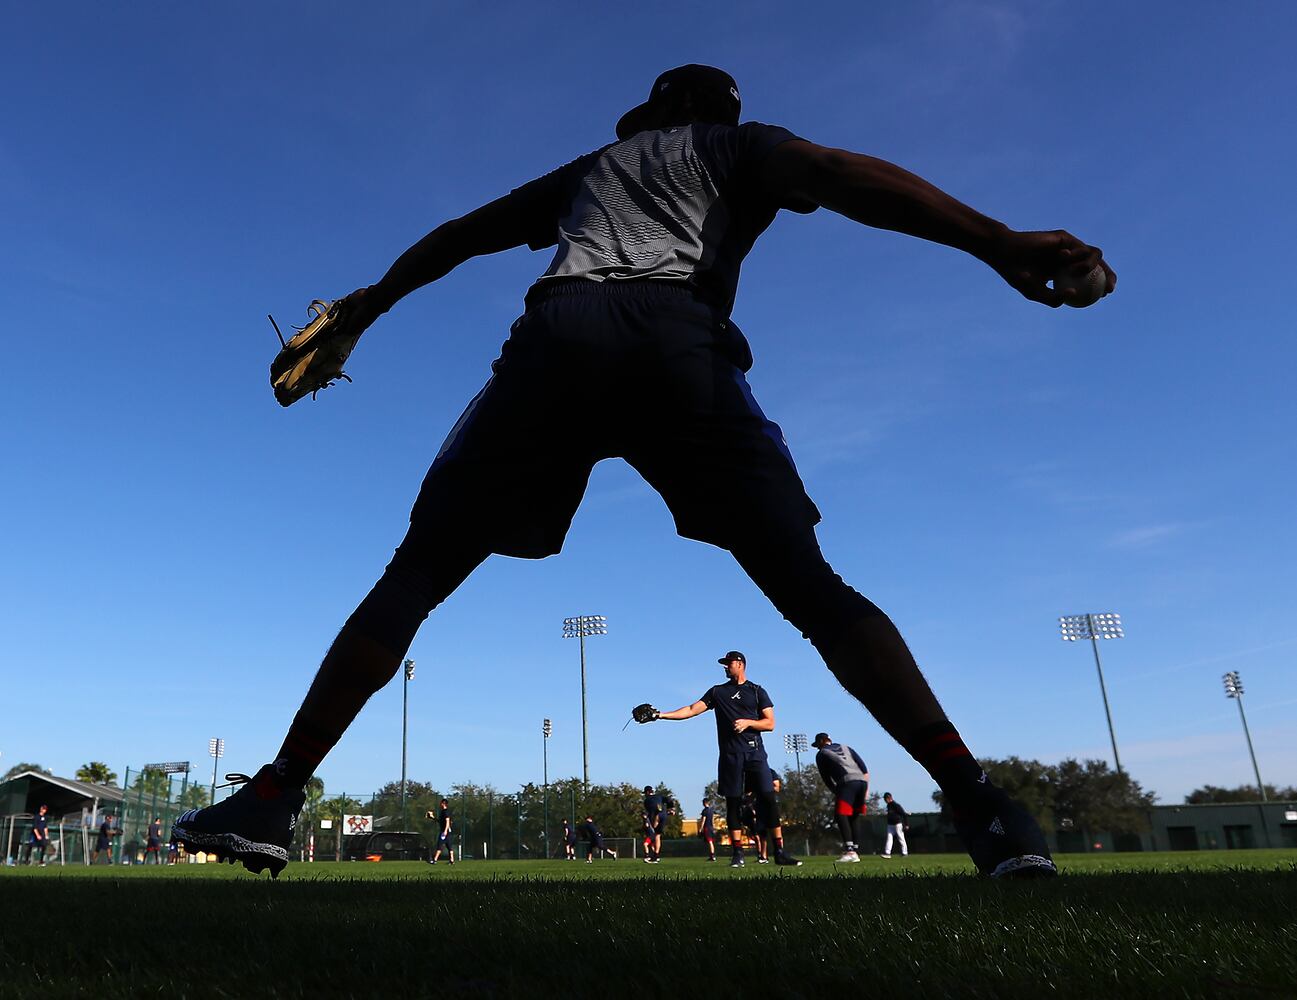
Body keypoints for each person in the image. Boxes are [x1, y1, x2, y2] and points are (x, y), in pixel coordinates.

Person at [172, 63, 1112, 878]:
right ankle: (982, 805)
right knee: (812, 591)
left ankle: (271, 796)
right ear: (725, 112)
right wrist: (999, 241)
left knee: (416, 573)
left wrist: (368, 306)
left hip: (558, 340)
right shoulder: (741, 147)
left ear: (644, 115)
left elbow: (460, 233)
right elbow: (836, 174)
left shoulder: (593, 167)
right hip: (678, 345)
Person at [646, 651, 801, 868]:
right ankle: (737, 854)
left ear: (740, 664)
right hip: (730, 756)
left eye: (729, 664)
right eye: (724, 664)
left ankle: (780, 852)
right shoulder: (718, 692)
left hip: (755, 754)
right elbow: (691, 710)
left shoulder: (757, 691)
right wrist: (660, 714)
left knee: (768, 800)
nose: (725, 667)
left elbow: (770, 723)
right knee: (733, 803)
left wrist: (748, 722)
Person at [813, 732, 870, 863]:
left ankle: (850, 851)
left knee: (841, 815)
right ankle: (855, 849)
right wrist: (866, 789)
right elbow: (864, 769)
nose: (817, 748)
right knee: (854, 815)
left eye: (818, 745)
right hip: (862, 781)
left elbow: (826, 778)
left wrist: (835, 790)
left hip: (847, 782)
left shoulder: (822, 754)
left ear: (821, 741)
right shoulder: (846, 747)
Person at [642, 785, 668, 863]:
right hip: (663, 815)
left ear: (647, 792)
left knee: (650, 840)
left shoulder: (647, 801)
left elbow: (650, 812)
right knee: (657, 836)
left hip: (656, 819)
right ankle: (656, 855)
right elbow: (668, 800)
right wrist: (671, 808)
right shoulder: (659, 797)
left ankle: (650, 856)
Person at [428, 799, 455, 865]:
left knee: (439, 845)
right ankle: (452, 860)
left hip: (445, 832)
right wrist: (432, 817)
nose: (440, 804)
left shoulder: (446, 812)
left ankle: (435, 860)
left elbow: (448, 821)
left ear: (443, 803)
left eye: (441, 803)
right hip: (446, 831)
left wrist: (445, 831)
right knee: (449, 846)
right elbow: (440, 821)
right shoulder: (443, 812)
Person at [882, 793, 909, 858]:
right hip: (890, 825)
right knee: (889, 838)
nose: (885, 800)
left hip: (897, 824)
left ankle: (904, 852)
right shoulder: (888, 805)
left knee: (901, 838)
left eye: (885, 799)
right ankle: (887, 853)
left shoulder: (896, 805)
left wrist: (906, 824)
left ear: (889, 798)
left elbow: (903, 814)